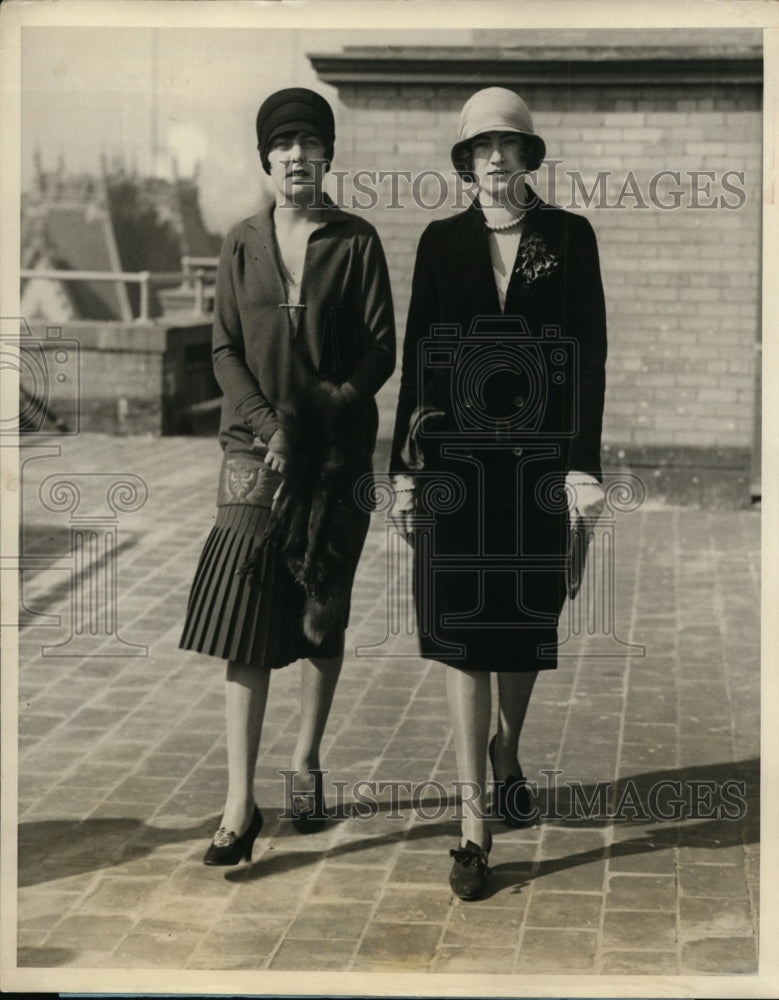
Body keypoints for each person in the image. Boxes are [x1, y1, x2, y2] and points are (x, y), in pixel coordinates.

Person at [389, 87, 607, 899]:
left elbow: (588, 359)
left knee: (522, 624)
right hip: (454, 468)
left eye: (506, 147)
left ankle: (507, 748)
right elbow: (416, 361)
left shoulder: (568, 238)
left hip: (537, 469)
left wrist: (580, 465)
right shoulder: (439, 243)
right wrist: (403, 473)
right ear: (464, 161)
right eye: (479, 148)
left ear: (527, 157)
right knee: (460, 636)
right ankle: (472, 823)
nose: (493, 159)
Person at [181, 88, 395, 865]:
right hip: (249, 452)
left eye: (312, 144)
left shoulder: (356, 240)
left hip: (335, 458)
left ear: (328, 157)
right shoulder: (240, 242)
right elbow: (222, 350)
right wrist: (273, 429)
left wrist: (313, 423)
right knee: (243, 608)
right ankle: (240, 803)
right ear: (266, 159)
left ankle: (304, 759)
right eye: (285, 146)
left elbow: (379, 350)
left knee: (319, 612)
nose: (298, 157)